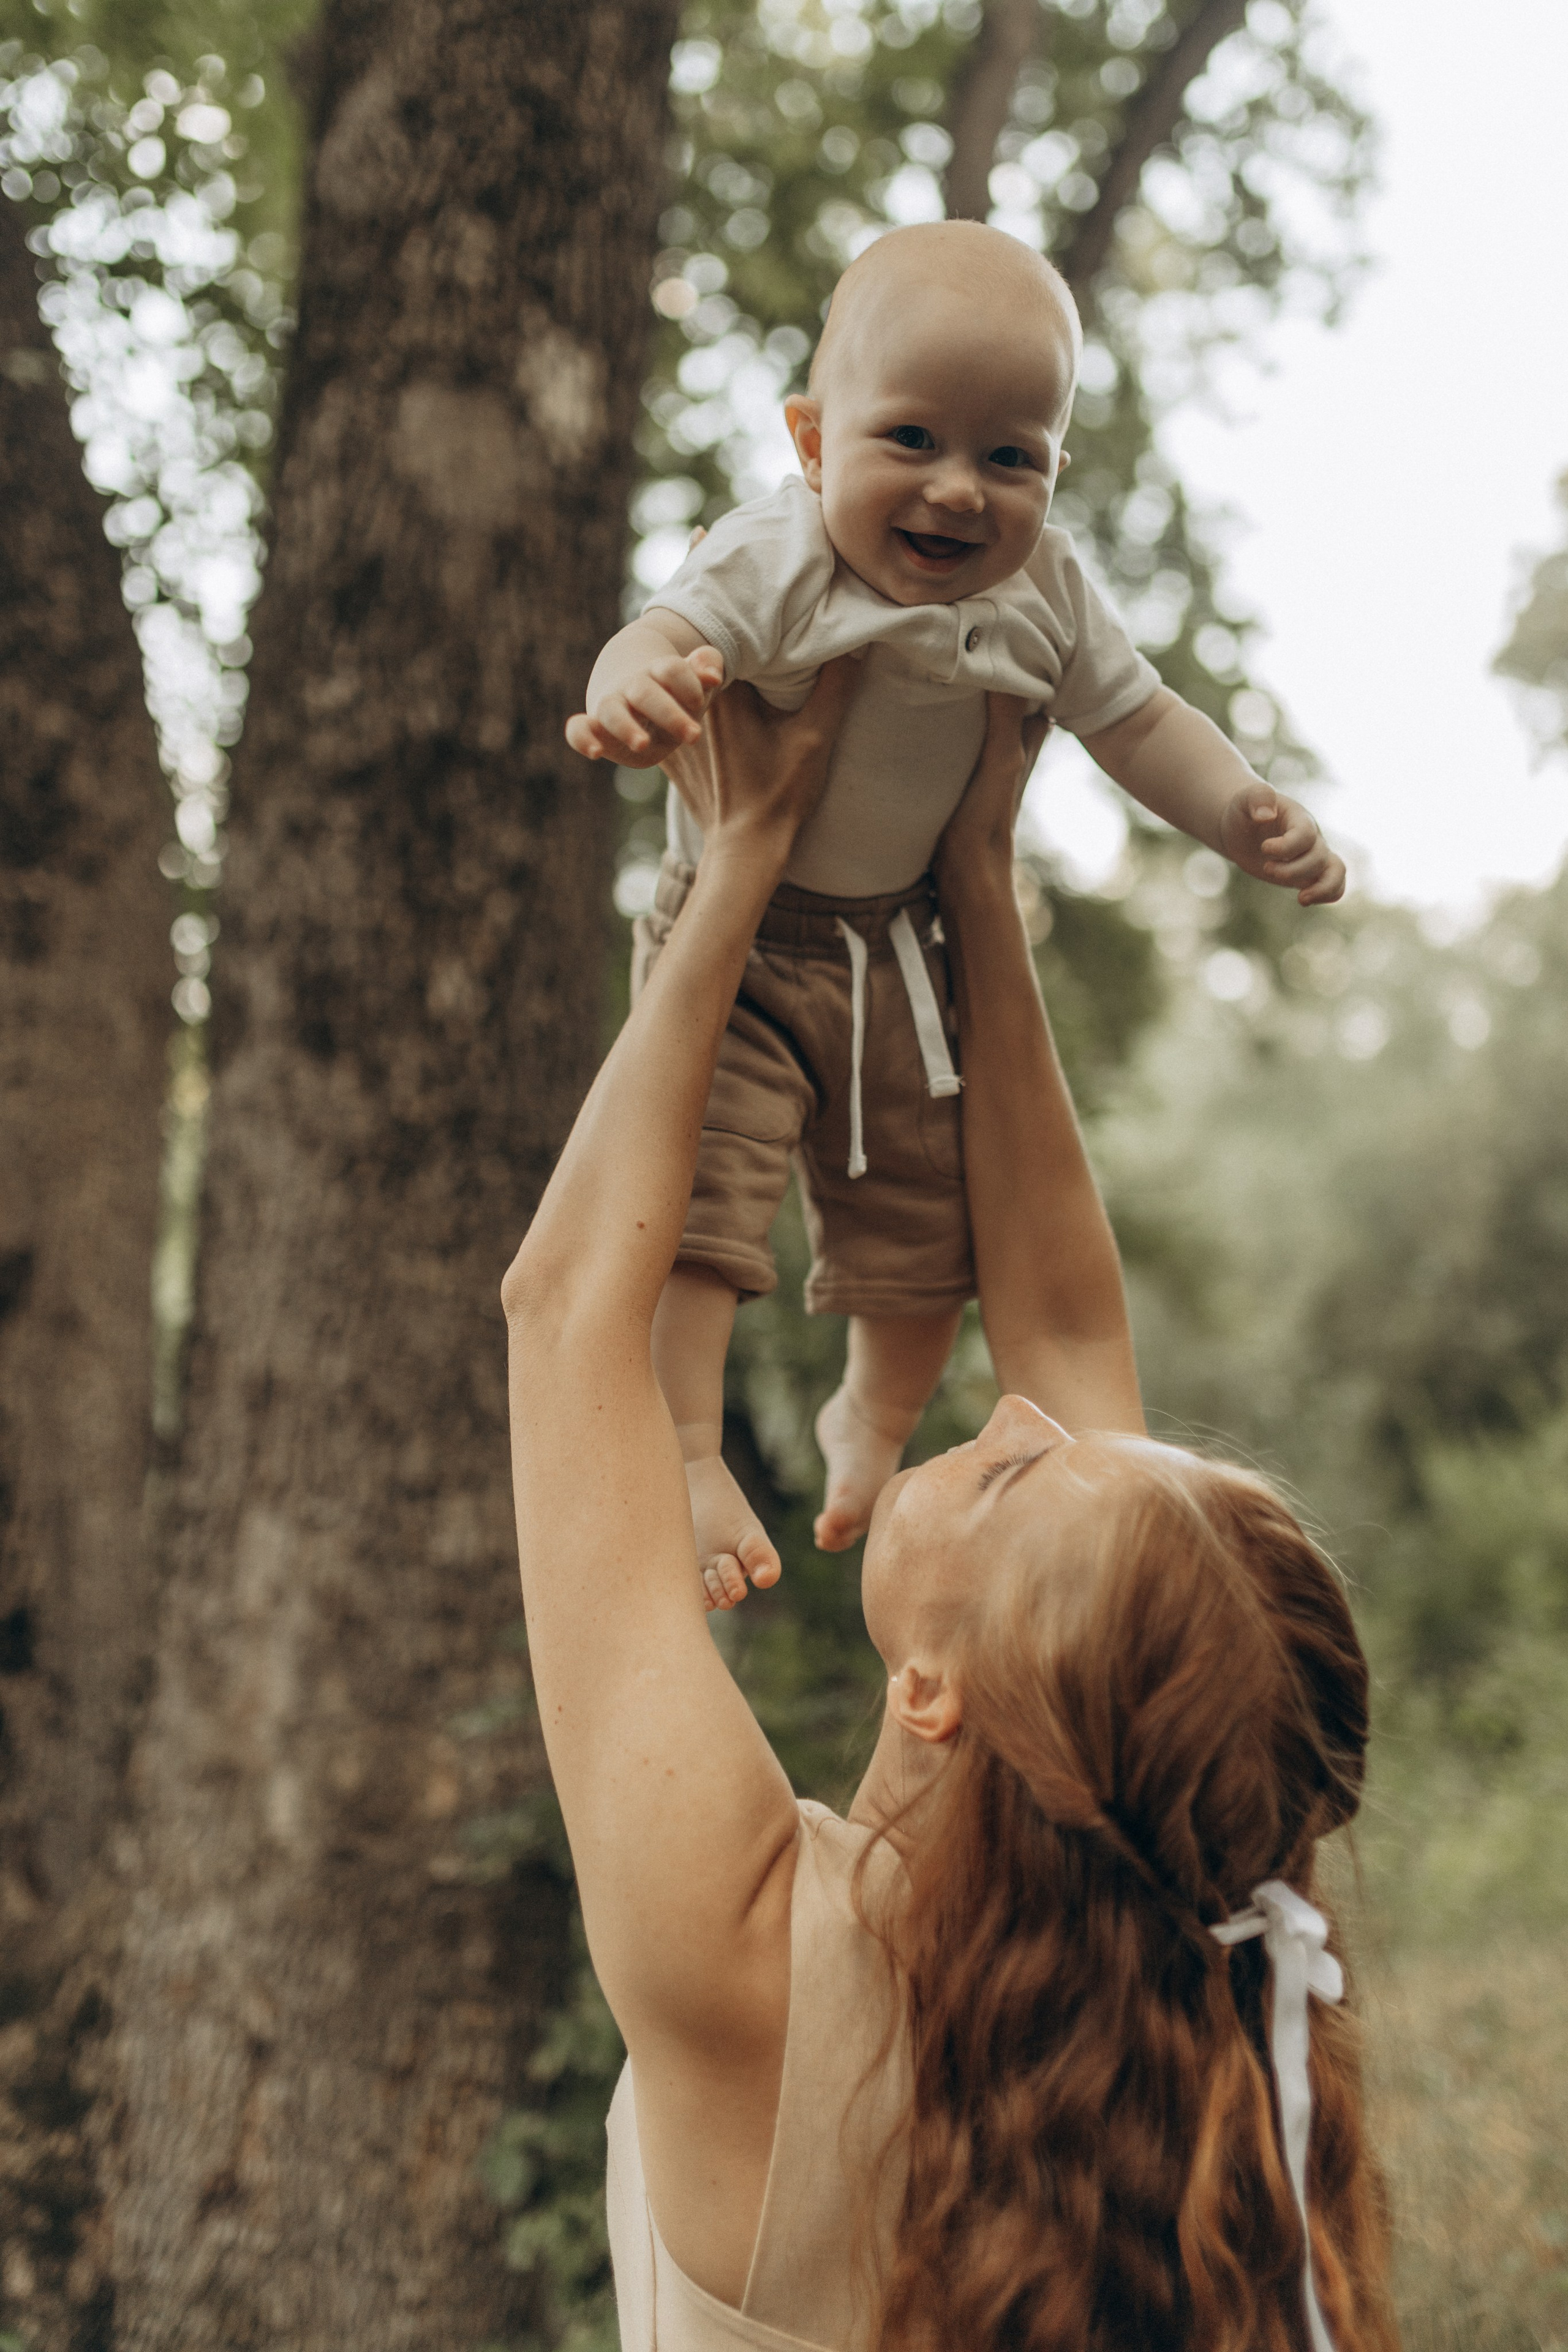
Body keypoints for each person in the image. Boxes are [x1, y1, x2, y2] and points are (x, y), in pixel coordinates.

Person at [505, 677, 1396, 2352]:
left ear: (936, 1692)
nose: (1026, 1410)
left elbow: (568, 1323)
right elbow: (1059, 1310)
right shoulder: (1206, 2032)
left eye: (1014, 1473)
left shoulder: (763, 1975)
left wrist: (740, 862)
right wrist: (976, 878)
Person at [565, 220, 1347, 1602]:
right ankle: (686, 1450)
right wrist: (635, 687)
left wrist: (1239, 809)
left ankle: (870, 1422)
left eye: (1009, 458)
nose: (956, 490)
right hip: (735, 952)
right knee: (697, 1206)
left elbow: (1140, 721)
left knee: (928, 1224)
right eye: (911, 439)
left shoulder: (1047, 594)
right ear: (813, 443)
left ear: (1054, 471)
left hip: (900, 952)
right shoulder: (777, 555)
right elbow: (663, 629)